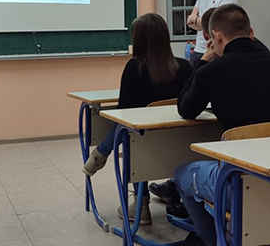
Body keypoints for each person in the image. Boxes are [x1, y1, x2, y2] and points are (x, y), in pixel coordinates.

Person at [174, 4, 270, 246]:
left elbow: (185, 108)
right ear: (251, 33)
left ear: (216, 37)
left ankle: (210, 240)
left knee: (181, 173)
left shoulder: (211, 72)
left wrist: (202, 62)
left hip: (239, 183)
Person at [81, 13, 192, 224]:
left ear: (138, 39)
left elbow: (123, 111)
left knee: (133, 134)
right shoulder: (184, 67)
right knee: (140, 135)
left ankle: (140, 204)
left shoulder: (135, 68)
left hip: (145, 146)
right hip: (181, 145)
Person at [185, 0, 238, 67]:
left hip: (216, 51)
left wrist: (197, 20)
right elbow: (190, 21)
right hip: (199, 49)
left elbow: (216, 24)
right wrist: (203, 23)